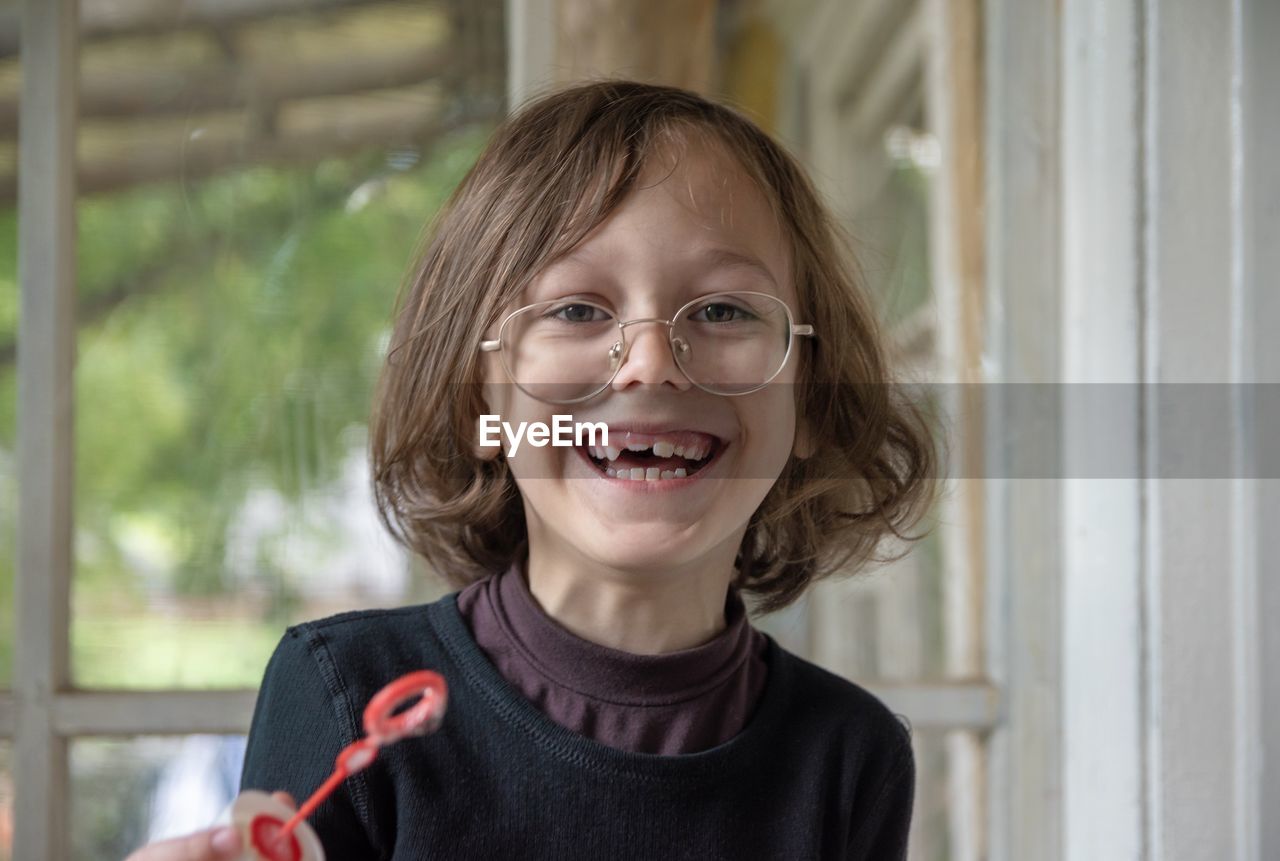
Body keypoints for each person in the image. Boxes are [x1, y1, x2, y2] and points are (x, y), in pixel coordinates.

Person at [128, 78, 938, 860]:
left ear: (814, 399)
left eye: (725, 309)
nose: (650, 363)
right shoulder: (340, 690)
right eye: (577, 309)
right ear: (480, 400)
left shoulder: (851, 757)